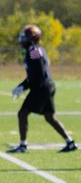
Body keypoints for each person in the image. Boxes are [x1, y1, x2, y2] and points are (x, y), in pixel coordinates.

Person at [7, 24, 76, 154]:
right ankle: (70, 142)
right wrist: (24, 85)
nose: (22, 40)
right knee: (49, 117)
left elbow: (38, 72)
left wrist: (23, 86)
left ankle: (23, 145)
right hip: (45, 85)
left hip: (41, 87)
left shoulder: (33, 50)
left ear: (32, 38)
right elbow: (36, 72)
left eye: (25, 37)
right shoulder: (36, 49)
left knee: (22, 113)